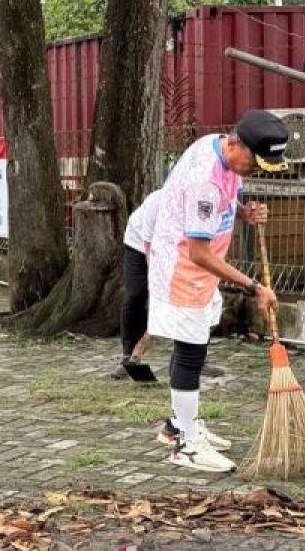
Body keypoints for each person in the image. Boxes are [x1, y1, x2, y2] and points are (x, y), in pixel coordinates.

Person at [147, 110, 288, 472]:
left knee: (194, 345)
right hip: (184, 269)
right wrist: (254, 286)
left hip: (199, 270)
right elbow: (198, 250)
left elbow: (222, 205)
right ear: (237, 145)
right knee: (192, 353)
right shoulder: (205, 180)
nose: (255, 171)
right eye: (255, 163)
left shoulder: (218, 148)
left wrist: (243, 213)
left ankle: (178, 425)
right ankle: (186, 447)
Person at [115, 190, 267, 381]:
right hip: (142, 245)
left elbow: (226, 200)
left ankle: (193, 359)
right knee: (135, 294)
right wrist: (161, 290)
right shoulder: (158, 204)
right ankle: (129, 357)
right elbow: (150, 251)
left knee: (209, 299)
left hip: (186, 249)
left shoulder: (205, 199)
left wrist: (245, 212)